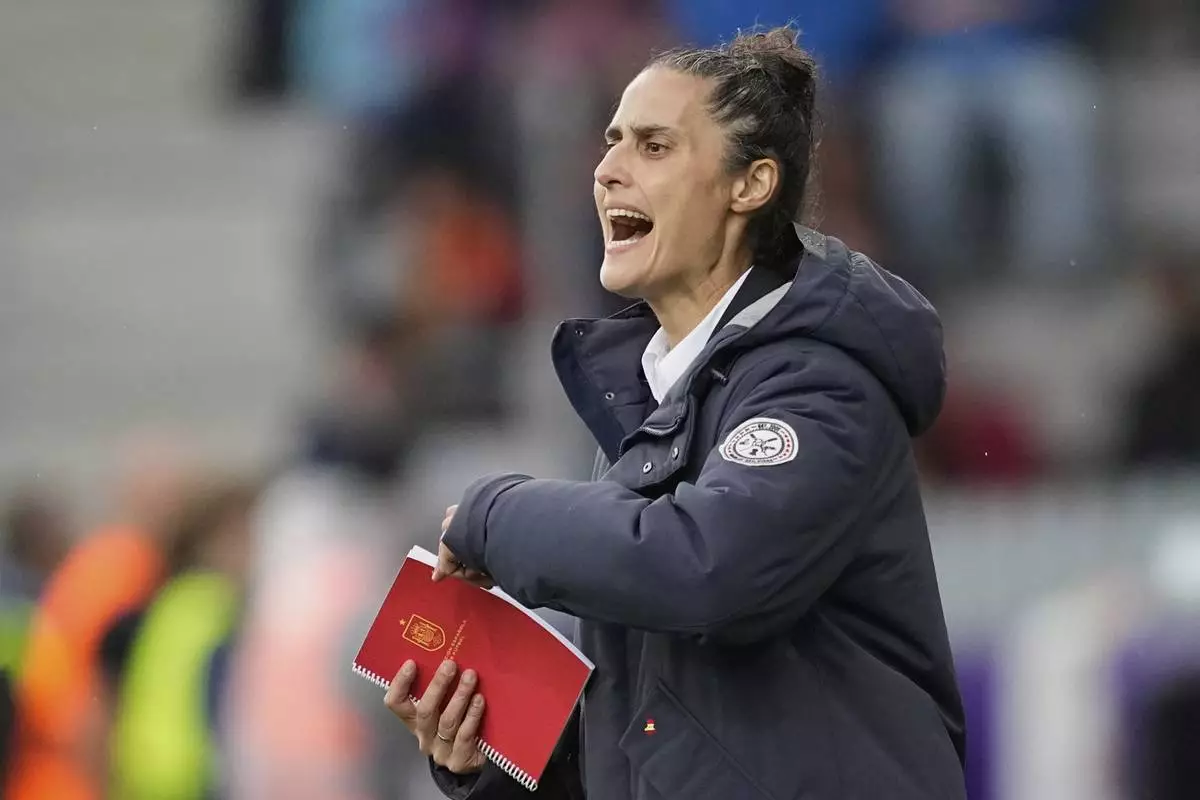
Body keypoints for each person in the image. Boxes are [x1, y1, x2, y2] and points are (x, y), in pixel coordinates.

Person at [385, 26, 967, 800]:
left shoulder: (821, 385)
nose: (607, 170)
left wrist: (496, 513)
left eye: (654, 146)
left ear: (750, 185)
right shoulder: (654, 416)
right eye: (611, 143)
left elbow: (706, 566)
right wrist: (490, 758)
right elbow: (655, 744)